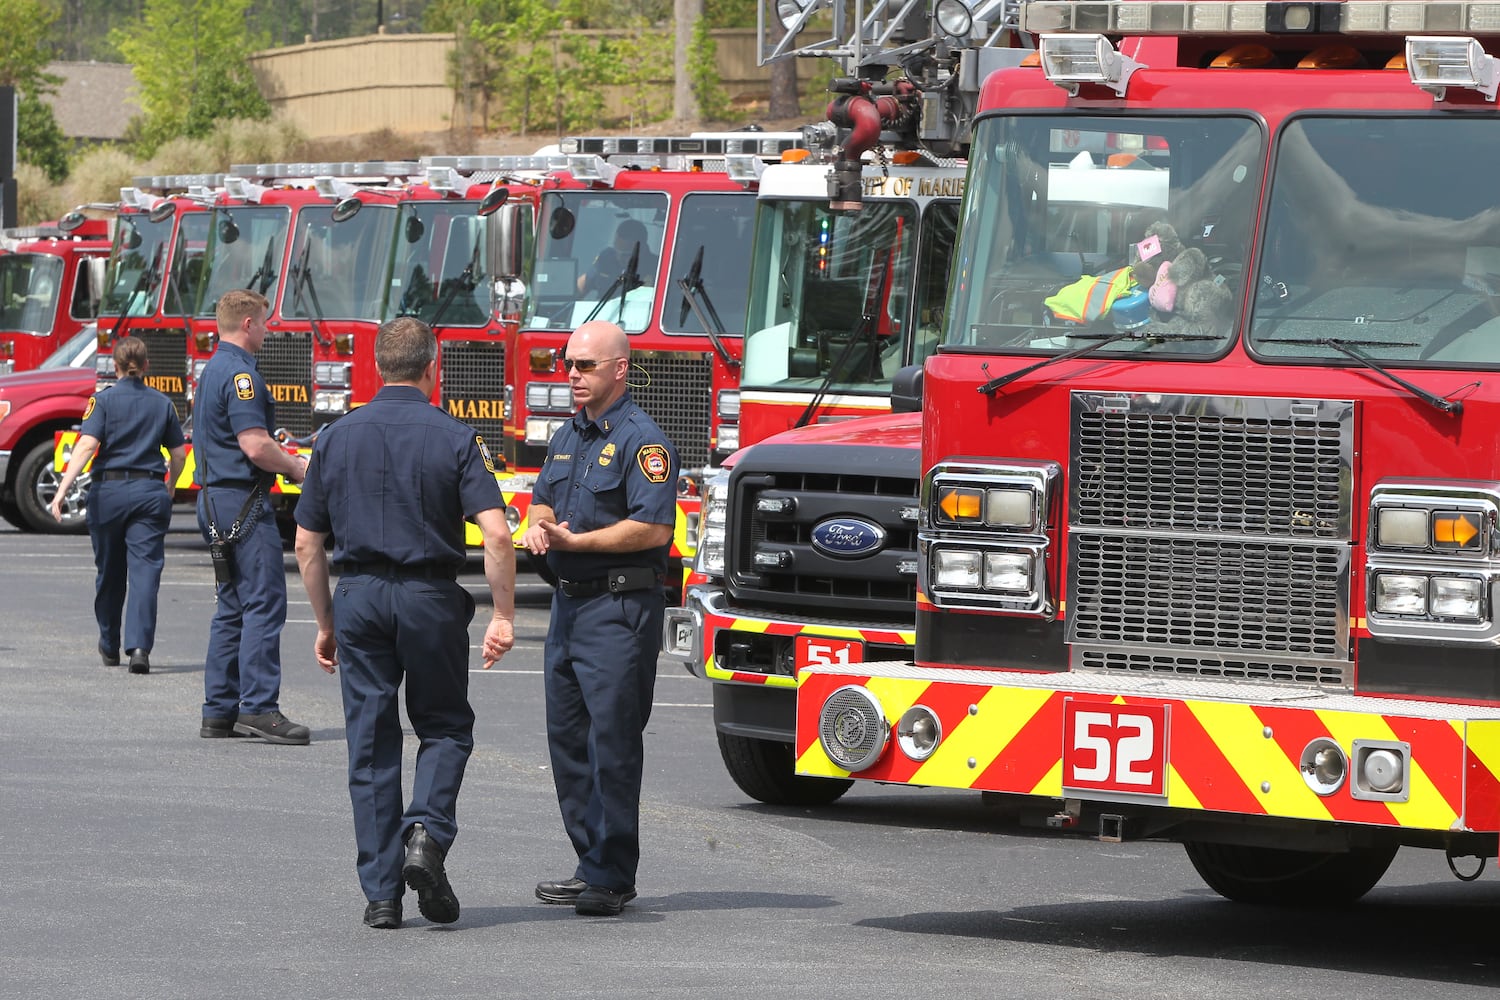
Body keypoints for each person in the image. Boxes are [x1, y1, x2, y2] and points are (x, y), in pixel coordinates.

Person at [293, 317, 516, 930]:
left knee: (369, 743)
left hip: (360, 595)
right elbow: (496, 533)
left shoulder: (334, 438)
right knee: (443, 726)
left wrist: (325, 621)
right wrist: (502, 614)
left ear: (375, 367)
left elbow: (308, 542)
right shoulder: (455, 437)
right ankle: (427, 833)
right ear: (431, 367)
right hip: (429, 595)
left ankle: (382, 894)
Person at [524, 319, 678, 917]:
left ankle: (613, 874)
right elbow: (543, 496)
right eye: (568, 365)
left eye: (585, 366)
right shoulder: (568, 436)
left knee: (610, 742)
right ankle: (591, 863)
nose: (572, 376)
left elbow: (653, 527)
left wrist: (579, 543)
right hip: (567, 604)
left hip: (617, 608)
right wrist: (541, 523)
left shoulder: (645, 442)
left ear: (619, 369)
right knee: (567, 742)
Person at [194, 288, 311, 744]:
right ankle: (259, 708)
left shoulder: (212, 370)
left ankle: (219, 709)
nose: (268, 330)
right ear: (248, 324)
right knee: (263, 603)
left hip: (216, 499)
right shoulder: (242, 376)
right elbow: (255, 446)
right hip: (243, 500)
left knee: (233, 605)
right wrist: (297, 466)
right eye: (264, 322)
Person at [51, 336, 187, 674]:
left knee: (110, 572)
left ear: (114, 367)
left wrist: (62, 491)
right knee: (145, 572)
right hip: (149, 491)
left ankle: (109, 642)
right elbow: (179, 455)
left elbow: (85, 447)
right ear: (146, 366)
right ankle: (140, 647)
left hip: (109, 492)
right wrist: (170, 484)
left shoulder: (103, 401)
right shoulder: (162, 404)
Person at [578, 219, 656, 296]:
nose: (619, 257)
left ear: (642, 250)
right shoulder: (606, 258)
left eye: (625, 255)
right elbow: (582, 285)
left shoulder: (657, 269)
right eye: (617, 251)